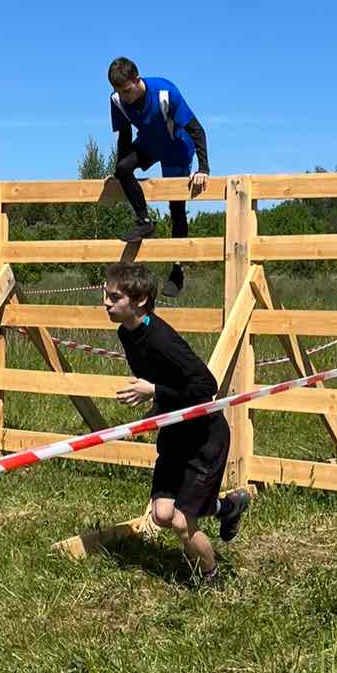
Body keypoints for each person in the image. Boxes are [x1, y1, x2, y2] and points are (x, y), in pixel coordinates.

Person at [102, 262, 250, 584]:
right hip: (175, 431)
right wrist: (158, 402)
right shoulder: (127, 334)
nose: (106, 303)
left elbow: (206, 386)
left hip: (204, 437)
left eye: (114, 297)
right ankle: (227, 508)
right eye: (106, 294)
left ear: (139, 301)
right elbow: (167, 379)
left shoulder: (161, 339)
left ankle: (213, 578)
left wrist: (153, 390)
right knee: (162, 514)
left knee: (183, 522)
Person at [108, 56, 210, 298]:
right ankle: (144, 221)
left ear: (137, 80)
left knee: (176, 208)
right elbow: (124, 135)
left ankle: (177, 270)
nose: (123, 96)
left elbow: (197, 130)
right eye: (118, 91)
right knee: (122, 169)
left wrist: (203, 168)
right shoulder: (117, 101)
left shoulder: (165, 92)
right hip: (150, 144)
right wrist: (120, 171)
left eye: (126, 90)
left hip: (176, 147)